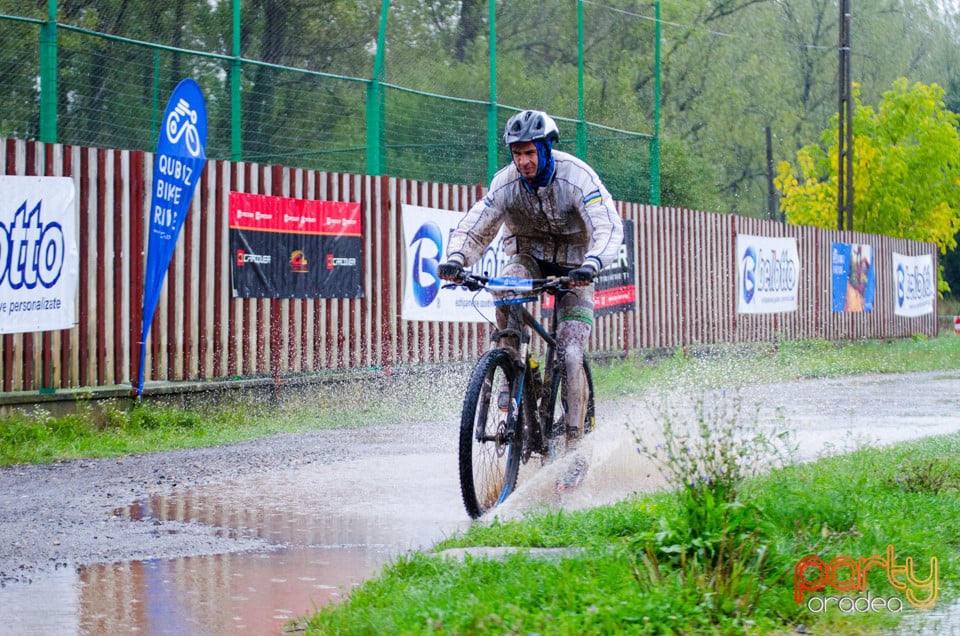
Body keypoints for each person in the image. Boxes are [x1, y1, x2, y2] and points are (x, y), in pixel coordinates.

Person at [438, 109, 624, 445]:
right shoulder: (506, 183)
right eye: (517, 153)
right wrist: (456, 258)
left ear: (547, 149)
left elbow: (606, 224)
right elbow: (477, 223)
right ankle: (514, 365)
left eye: (530, 152)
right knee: (504, 285)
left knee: (569, 354)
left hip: (576, 267)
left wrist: (593, 263)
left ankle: (573, 444)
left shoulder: (577, 178)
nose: (523, 161)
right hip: (530, 257)